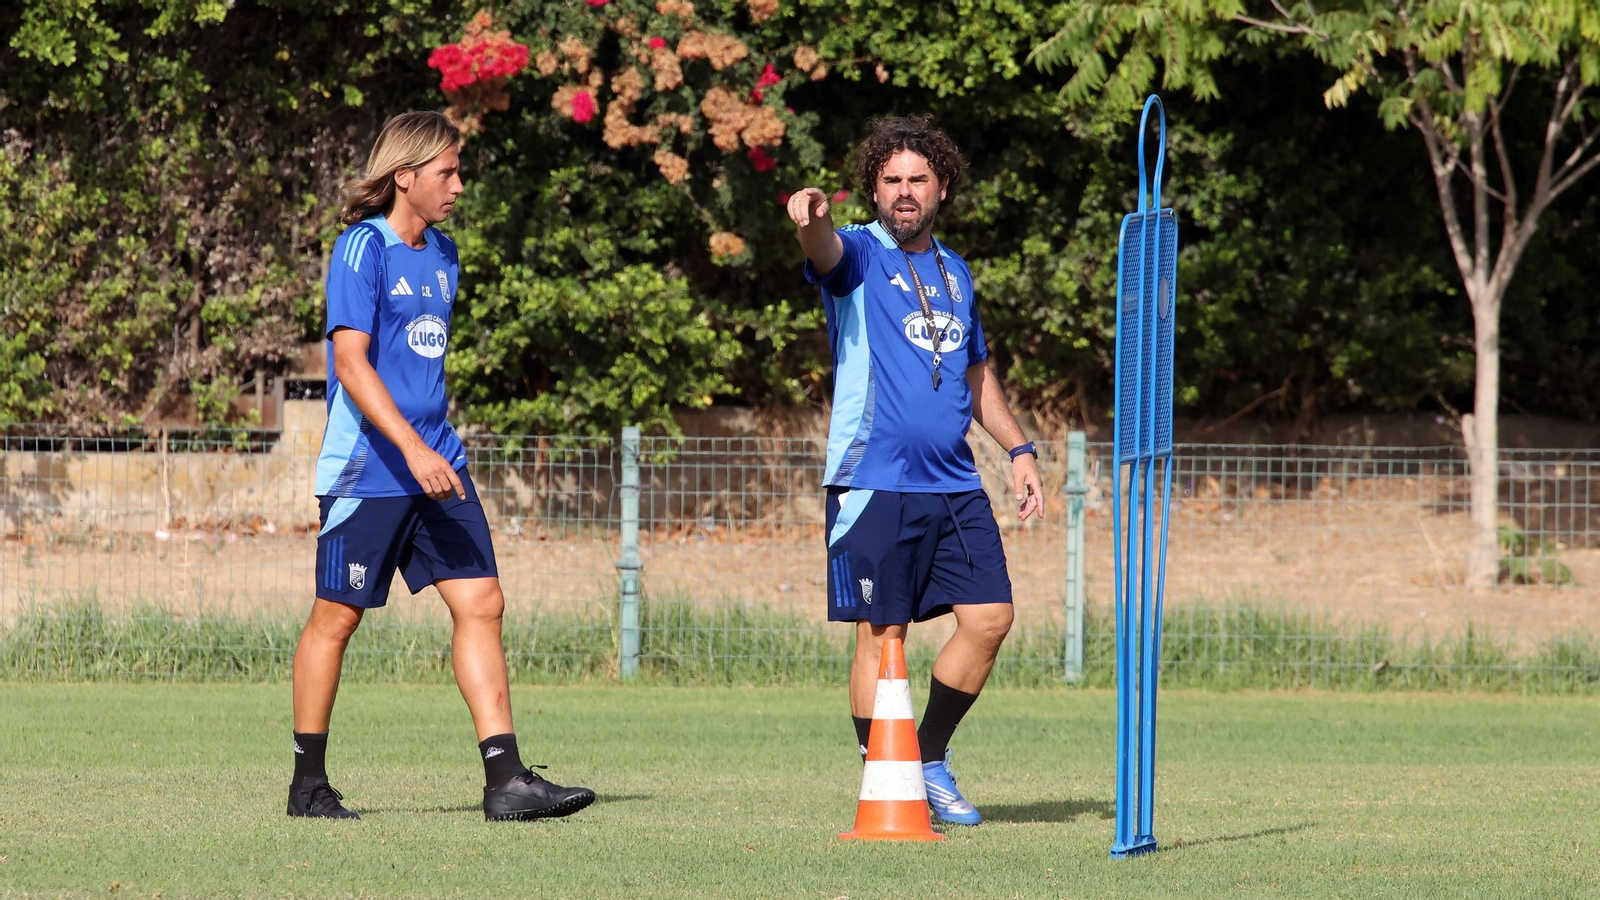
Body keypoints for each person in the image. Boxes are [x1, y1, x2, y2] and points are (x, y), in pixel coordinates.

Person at [287, 111, 594, 822]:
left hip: (437, 463)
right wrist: (412, 447)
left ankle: (507, 781)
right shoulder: (362, 247)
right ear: (405, 176)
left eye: (459, 171)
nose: (459, 185)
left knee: (483, 602)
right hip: (370, 469)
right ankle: (308, 786)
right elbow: (351, 364)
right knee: (337, 618)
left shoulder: (446, 254)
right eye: (447, 172)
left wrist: (433, 447)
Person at [785, 115, 1044, 826]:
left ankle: (924, 759)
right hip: (873, 480)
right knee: (882, 635)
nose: (904, 191)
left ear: (942, 187)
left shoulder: (956, 272)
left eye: (917, 179)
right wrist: (813, 219)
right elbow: (823, 249)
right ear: (873, 189)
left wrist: (1019, 450)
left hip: (955, 483)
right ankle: (885, 781)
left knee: (990, 618)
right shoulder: (860, 254)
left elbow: (976, 374)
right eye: (891, 179)